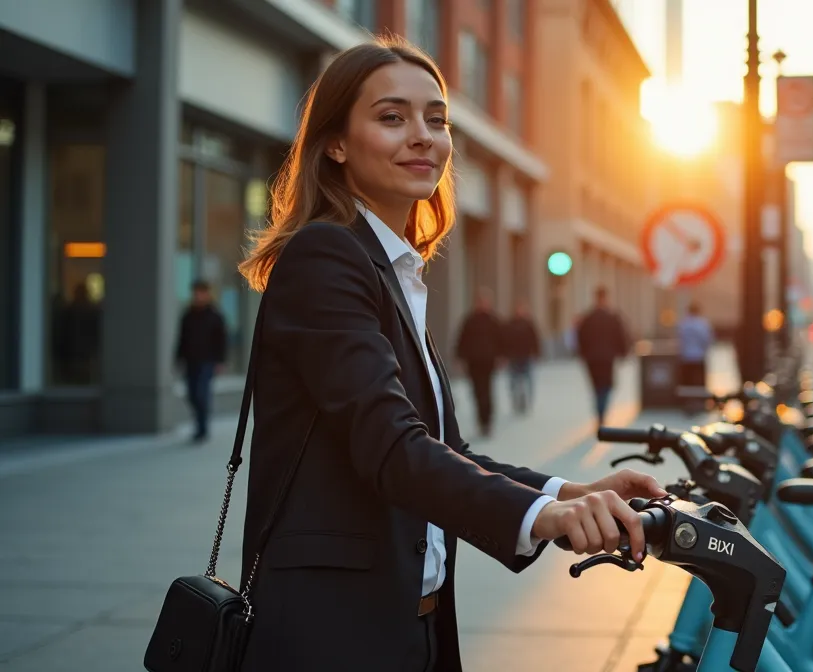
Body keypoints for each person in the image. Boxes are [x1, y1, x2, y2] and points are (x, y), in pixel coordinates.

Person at [233, 37, 664, 671]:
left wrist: (572, 490)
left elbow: (446, 451)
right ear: (336, 144)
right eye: (391, 117)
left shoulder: (391, 269)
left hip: (417, 626)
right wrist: (546, 517)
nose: (422, 136)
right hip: (334, 633)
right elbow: (391, 447)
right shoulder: (326, 258)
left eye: (436, 119)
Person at [174, 280, 228, 443]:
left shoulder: (215, 316)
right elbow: (182, 338)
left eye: (201, 292)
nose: (198, 296)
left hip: (208, 361)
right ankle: (199, 422)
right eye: (195, 292)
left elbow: (222, 340)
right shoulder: (188, 315)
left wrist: (220, 361)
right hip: (191, 360)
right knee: (191, 394)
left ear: (207, 294)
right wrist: (178, 357)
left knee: (201, 393)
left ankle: (202, 428)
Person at [576, 286, 630, 426]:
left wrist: (582, 353)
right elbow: (621, 336)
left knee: (597, 386)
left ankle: (600, 410)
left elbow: (580, 337)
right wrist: (623, 353)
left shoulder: (588, 318)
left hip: (593, 358)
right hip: (606, 358)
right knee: (605, 385)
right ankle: (601, 411)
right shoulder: (611, 317)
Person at [455, 287, 503, 436]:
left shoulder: (494, 320)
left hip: (488, 361)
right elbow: (462, 340)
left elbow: (501, 340)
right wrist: (460, 358)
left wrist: (501, 356)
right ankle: (481, 419)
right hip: (473, 361)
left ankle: (487, 421)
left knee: (487, 390)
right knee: (476, 391)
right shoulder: (469, 320)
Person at [502, 298, 542, 415]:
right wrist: (505, 355)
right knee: (514, 381)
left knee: (528, 379)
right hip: (513, 356)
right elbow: (505, 340)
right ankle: (516, 401)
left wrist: (536, 353)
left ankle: (527, 401)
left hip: (526, 355)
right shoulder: (510, 324)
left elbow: (535, 339)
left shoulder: (529, 324)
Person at [676, 302, 714, 415]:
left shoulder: (683, 324)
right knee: (699, 382)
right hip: (699, 356)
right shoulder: (702, 324)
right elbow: (707, 340)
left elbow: (680, 340)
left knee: (687, 382)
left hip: (686, 357)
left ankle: (687, 403)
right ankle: (700, 403)